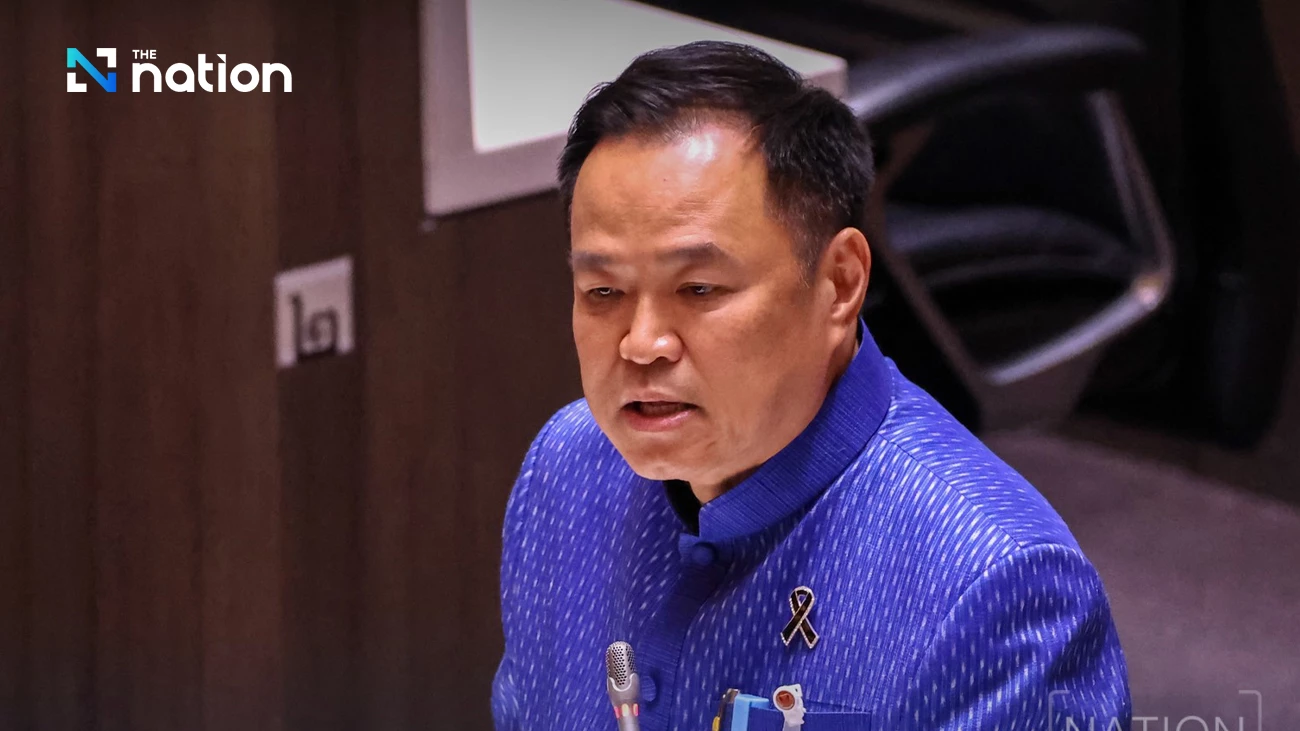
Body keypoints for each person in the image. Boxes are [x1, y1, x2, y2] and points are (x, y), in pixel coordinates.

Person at [491, 40, 1131, 730]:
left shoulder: (995, 583)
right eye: (603, 291)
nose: (641, 343)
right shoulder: (567, 468)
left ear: (840, 283)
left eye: (698, 288)